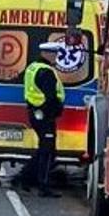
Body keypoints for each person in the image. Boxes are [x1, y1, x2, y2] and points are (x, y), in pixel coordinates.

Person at [10, 40, 66, 197]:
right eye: (54, 54)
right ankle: (41, 185)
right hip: (45, 116)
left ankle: (26, 179)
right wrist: (55, 111)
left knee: (45, 150)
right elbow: (51, 97)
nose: (56, 57)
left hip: (36, 113)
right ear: (46, 54)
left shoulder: (32, 67)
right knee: (47, 152)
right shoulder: (46, 72)